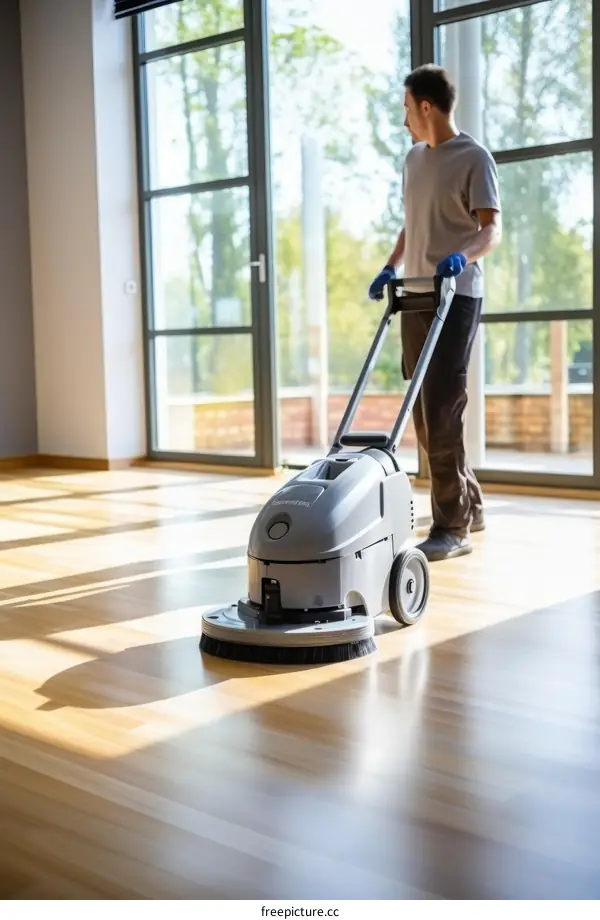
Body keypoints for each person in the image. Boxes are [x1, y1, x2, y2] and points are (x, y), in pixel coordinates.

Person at [368, 64, 502, 562]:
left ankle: (452, 527)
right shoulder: (413, 160)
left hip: (456, 295)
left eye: (406, 108)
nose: (404, 120)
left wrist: (461, 257)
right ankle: (470, 504)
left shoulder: (474, 158)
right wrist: (389, 267)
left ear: (426, 106)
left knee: (444, 409)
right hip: (415, 295)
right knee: (426, 415)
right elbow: (412, 224)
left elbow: (491, 229)